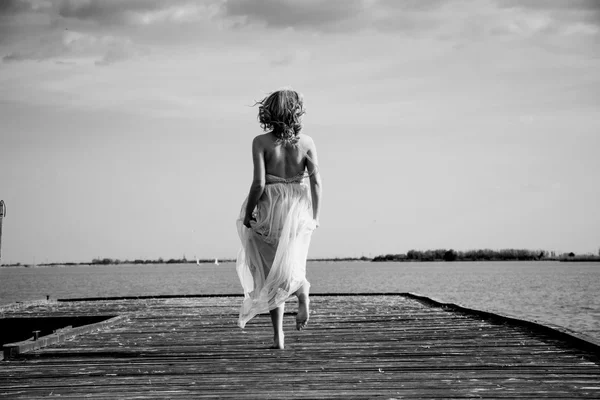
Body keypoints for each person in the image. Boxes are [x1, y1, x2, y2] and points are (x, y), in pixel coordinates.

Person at [236, 88, 322, 350]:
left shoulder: (261, 142)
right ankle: (301, 292)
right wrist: (314, 216)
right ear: (297, 112)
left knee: (271, 269)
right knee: (290, 262)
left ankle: (279, 336)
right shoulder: (306, 142)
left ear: (269, 112)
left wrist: (249, 212)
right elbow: (317, 182)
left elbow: (259, 183)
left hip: (270, 207)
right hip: (297, 208)